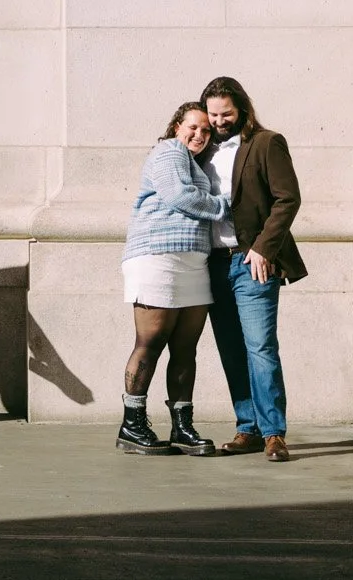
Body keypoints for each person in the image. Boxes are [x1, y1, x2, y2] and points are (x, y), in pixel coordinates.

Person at [201, 76, 305, 463]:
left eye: (226, 113)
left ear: (242, 109)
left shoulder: (266, 143)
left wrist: (263, 248)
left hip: (251, 262)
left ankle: (274, 433)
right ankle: (248, 427)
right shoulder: (200, 147)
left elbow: (287, 199)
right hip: (211, 263)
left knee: (260, 346)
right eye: (213, 114)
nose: (219, 121)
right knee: (230, 347)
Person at [116, 103, 226, 456]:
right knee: (151, 340)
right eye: (193, 127)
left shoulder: (195, 163)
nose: (199, 135)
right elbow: (179, 196)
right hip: (157, 256)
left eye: (206, 131)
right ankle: (132, 425)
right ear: (177, 126)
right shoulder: (168, 150)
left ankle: (182, 427)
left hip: (193, 261)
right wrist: (226, 205)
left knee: (185, 348)